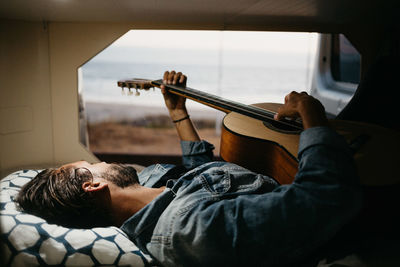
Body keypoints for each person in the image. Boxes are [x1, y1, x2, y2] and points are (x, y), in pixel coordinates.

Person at [17, 71, 362, 266]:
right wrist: (314, 120)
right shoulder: (193, 230)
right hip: (351, 196)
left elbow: (204, 180)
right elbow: (325, 200)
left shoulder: (155, 196)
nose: (103, 161)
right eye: (94, 165)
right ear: (94, 187)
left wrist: (178, 111)